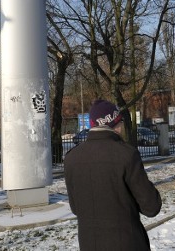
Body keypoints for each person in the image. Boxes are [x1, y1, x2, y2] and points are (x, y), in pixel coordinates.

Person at [64, 99, 162, 250]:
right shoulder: (127, 155)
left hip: (90, 244)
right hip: (127, 243)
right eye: (121, 122)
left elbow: (76, 208)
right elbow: (151, 207)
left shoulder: (71, 158)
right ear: (114, 124)